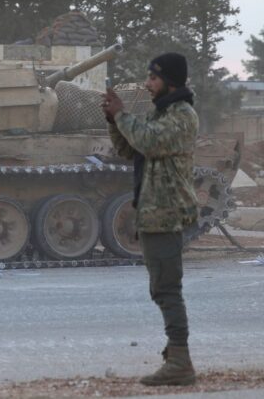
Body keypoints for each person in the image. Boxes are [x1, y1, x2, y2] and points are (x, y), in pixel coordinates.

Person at [101, 52, 199, 386]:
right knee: (162, 287)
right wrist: (115, 122)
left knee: (167, 289)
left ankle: (180, 362)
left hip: (166, 213)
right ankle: (176, 355)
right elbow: (131, 149)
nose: (147, 84)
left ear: (170, 81)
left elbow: (149, 141)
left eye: (153, 78)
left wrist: (123, 116)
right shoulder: (163, 112)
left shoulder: (182, 115)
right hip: (154, 212)